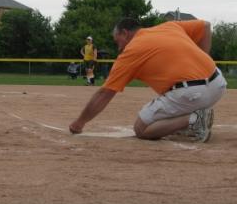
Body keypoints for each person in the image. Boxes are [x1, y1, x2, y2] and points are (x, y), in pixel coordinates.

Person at [69, 18, 227, 142]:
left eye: (118, 41)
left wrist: (79, 123)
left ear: (125, 33)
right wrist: (203, 57)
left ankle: (195, 119)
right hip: (218, 83)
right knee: (173, 102)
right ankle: (191, 121)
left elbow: (105, 94)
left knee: (141, 129)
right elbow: (205, 26)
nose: (118, 48)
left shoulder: (131, 51)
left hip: (192, 93)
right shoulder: (168, 27)